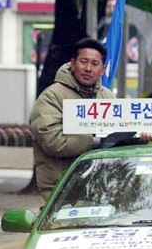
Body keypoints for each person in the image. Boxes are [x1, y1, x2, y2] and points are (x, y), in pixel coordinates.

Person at [30, 37, 114, 200]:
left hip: (98, 186)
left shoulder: (107, 97)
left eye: (95, 64)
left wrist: (137, 137)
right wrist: (95, 141)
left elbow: (118, 134)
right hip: (61, 188)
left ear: (102, 70)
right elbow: (52, 141)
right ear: (73, 63)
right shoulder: (51, 97)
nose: (88, 68)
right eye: (83, 62)